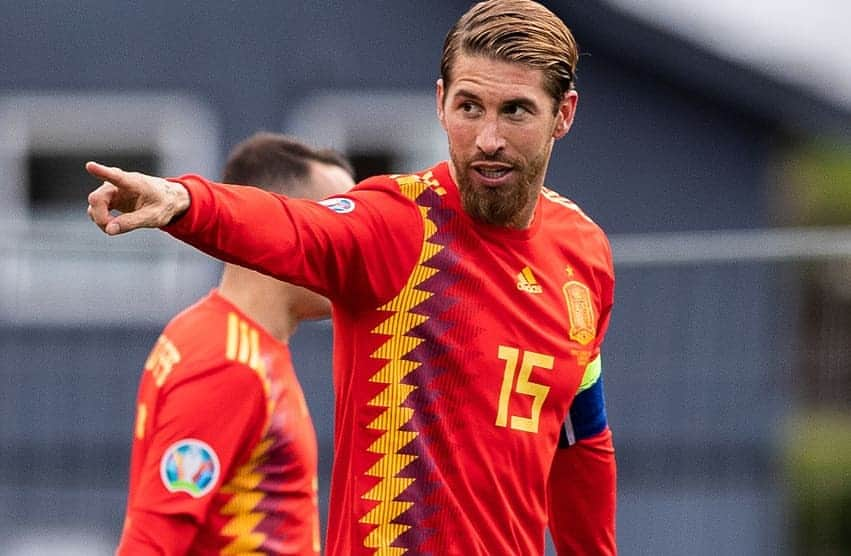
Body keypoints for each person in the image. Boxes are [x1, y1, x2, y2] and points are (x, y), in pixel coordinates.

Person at [88, 1, 617, 554]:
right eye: (468, 107)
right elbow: (296, 225)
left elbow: (581, 438)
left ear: (564, 114)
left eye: (515, 111)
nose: (487, 137)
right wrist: (183, 200)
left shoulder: (585, 255)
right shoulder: (400, 223)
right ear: (440, 102)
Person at [115, 132, 356, 555]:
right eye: (331, 228)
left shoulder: (221, 336)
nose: (350, 249)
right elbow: (151, 542)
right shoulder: (230, 363)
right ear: (280, 230)